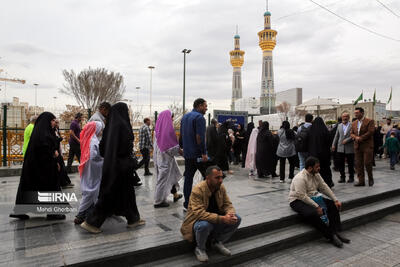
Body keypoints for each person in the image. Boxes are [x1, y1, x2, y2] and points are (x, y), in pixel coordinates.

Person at [81, 103, 145, 233]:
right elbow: (126, 147)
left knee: (128, 194)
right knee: (108, 196)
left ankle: (134, 219)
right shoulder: (124, 126)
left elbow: (102, 148)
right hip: (121, 168)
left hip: (112, 166)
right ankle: (91, 222)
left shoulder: (109, 126)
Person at [10, 112, 67, 220]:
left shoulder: (42, 132)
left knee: (29, 187)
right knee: (50, 186)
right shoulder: (42, 134)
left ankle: (21, 210)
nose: (54, 123)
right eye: (52, 120)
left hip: (35, 167)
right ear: (47, 121)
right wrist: (54, 156)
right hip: (42, 167)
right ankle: (53, 212)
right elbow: (45, 150)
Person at [180, 166, 241, 262]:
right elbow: (199, 214)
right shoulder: (198, 190)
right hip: (197, 221)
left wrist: (230, 214)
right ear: (208, 178)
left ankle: (217, 242)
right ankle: (200, 248)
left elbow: (227, 204)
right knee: (204, 225)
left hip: (216, 219)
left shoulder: (220, 187)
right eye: (217, 178)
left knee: (237, 219)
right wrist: (222, 219)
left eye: (222, 177)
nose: (221, 180)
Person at [289, 157, 350, 248]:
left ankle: (336, 232)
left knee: (332, 205)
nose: (319, 168)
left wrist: (335, 200)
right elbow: (302, 196)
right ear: (310, 168)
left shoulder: (316, 174)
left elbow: (323, 187)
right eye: (317, 167)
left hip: (313, 197)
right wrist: (317, 207)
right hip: (298, 200)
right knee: (312, 213)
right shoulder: (300, 178)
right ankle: (331, 236)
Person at [180, 98, 208, 211]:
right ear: (199, 106)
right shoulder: (199, 118)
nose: (206, 108)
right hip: (197, 154)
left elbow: (181, 135)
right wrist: (203, 153)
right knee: (210, 177)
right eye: (205, 106)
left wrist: (181, 147)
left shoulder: (185, 117)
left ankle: (187, 204)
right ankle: (208, 202)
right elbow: (199, 137)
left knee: (188, 178)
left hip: (188, 154)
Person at [74, 121, 103, 224]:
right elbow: (93, 157)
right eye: (100, 129)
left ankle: (88, 214)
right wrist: (103, 160)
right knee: (91, 191)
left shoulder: (89, 139)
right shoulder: (93, 141)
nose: (101, 131)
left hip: (88, 169)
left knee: (90, 191)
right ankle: (80, 215)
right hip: (92, 170)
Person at [153, 110, 183, 208]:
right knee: (163, 180)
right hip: (165, 160)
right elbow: (171, 149)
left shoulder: (157, 130)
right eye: (171, 117)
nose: (172, 119)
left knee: (173, 175)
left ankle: (175, 194)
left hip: (162, 159)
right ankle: (159, 201)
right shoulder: (167, 131)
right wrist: (180, 151)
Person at [350, 107, 375, 187]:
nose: (355, 114)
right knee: (358, 164)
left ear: (362, 113)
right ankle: (361, 181)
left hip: (367, 146)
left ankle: (370, 179)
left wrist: (361, 138)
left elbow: (371, 132)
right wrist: (355, 137)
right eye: (355, 113)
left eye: (357, 113)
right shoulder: (354, 123)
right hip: (357, 146)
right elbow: (351, 133)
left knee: (367, 163)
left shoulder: (370, 121)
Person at [308, 117, 334, 188]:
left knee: (316, 170)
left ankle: (317, 185)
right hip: (324, 154)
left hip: (314, 154)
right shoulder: (325, 131)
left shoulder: (311, 130)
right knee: (326, 169)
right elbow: (329, 141)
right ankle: (328, 183)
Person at [332, 112, 355, 183]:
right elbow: (336, 136)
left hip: (350, 147)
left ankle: (351, 177)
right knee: (341, 164)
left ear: (348, 117)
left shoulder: (352, 125)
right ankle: (342, 177)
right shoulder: (339, 125)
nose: (345, 118)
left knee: (350, 164)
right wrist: (333, 145)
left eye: (346, 116)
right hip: (340, 147)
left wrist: (347, 140)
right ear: (342, 117)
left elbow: (354, 135)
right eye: (343, 117)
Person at [54, 119, 73, 188]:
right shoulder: (52, 130)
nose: (56, 124)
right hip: (55, 152)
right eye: (55, 122)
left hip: (59, 151)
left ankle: (66, 182)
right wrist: (60, 139)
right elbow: (54, 140)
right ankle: (64, 183)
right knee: (61, 167)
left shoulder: (57, 130)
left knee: (62, 167)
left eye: (57, 122)